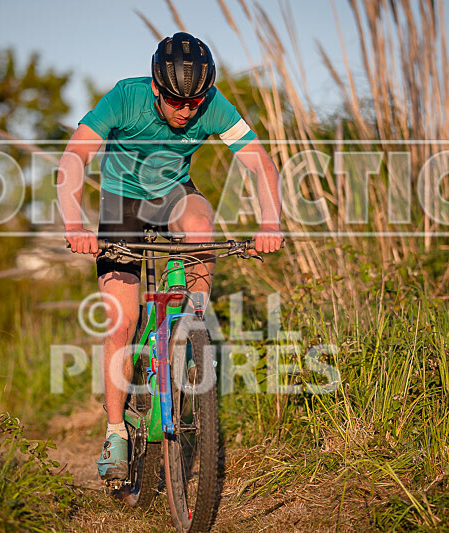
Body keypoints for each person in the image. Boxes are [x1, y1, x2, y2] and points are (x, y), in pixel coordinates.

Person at [57, 32, 283, 482]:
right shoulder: (126, 97)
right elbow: (75, 157)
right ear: (158, 89)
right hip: (121, 203)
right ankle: (116, 430)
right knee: (121, 320)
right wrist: (74, 225)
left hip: (174, 195)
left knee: (201, 226)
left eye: (195, 102)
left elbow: (259, 161)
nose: (187, 111)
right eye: (177, 102)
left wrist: (271, 222)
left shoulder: (213, 104)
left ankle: (192, 330)